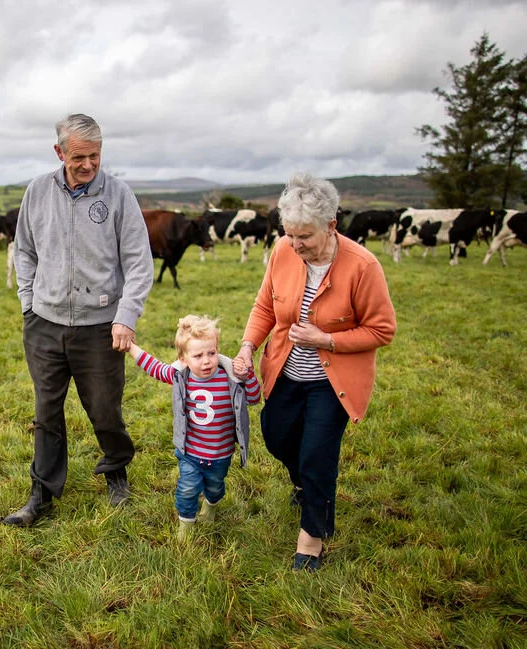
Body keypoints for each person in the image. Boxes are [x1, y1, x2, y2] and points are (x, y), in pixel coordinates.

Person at [233, 172, 396, 571]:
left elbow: (382, 329)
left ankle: (312, 537)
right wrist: (248, 346)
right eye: (289, 234)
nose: (295, 244)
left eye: (304, 236)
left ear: (331, 226)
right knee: (276, 435)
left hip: (332, 380)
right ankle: (307, 486)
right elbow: (265, 307)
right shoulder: (282, 252)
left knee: (317, 454)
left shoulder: (362, 266)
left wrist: (327, 340)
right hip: (286, 370)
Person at [2, 113, 154, 527]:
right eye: (78, 157)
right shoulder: (37, 192)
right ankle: (41, 494)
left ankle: (116, 469)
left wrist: (125, 316)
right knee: (46, 410)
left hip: (101, 326)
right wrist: (28, 303)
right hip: (44, 323)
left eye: (95, 156)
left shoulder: (119, 195)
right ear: (59, 152)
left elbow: (139, 262)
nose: (87, 165)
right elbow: (26, 250)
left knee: (105, 408)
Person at [128, 315, 261, 540]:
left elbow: (255, 397)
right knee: (187, 489)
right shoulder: (181, 377)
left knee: (215, 488)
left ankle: (210, 507)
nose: (206, 361)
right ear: (183, 358)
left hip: (220, 453)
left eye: (211, 353)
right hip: (190, 452)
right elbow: (154, 368)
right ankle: (186, 526)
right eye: (198, 356)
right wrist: (131, 347)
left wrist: (246, 375)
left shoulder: (229, 378)